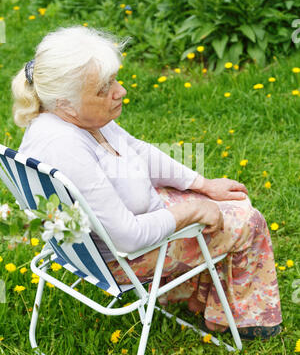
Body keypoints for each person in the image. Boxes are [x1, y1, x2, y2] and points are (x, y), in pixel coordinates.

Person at [12, 26, 282, 338]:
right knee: (248, 219)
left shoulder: (71, 120)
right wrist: (193, 210)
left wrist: (202, 184)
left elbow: (137, 150)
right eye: (104, 88)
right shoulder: (66, 148)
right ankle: (247, 321)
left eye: (113, 79)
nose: (121, 91)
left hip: (119, 233)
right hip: (123, 259)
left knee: (226, 202)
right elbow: (128, 237)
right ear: (66, 103)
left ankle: (201, 298)